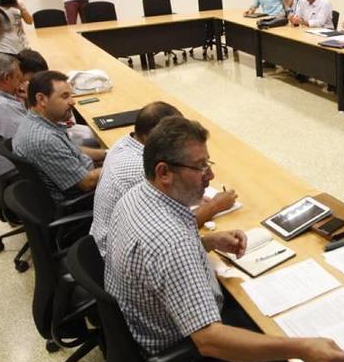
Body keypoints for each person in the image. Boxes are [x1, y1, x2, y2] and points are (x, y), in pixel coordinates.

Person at [105, 117, 344, 362]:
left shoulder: (138, 195)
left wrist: (208, 241)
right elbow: (208, 340)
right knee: (277, 320)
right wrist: (301, 348)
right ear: (164, 172)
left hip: (138, 330)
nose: (210, 176)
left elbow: (152, 257)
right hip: (176, 355)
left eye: (208, 163)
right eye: (199, 167)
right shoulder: (171, 243)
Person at [90, 101, 238, 257]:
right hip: (112, 254)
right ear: (152, 135)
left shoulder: (125, 142)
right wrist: (215, 205)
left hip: (107, 243)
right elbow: (171, 228)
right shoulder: (143, 170)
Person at [12, 71, 104, 202]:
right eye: (65, 96)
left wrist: (107, 153)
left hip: (79, 176)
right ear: (41, 99)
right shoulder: (44, 139)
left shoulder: (34, 120)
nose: (72, 102)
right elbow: (87, 183)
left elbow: (72, 149)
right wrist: (120, 163)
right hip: (81, 199)